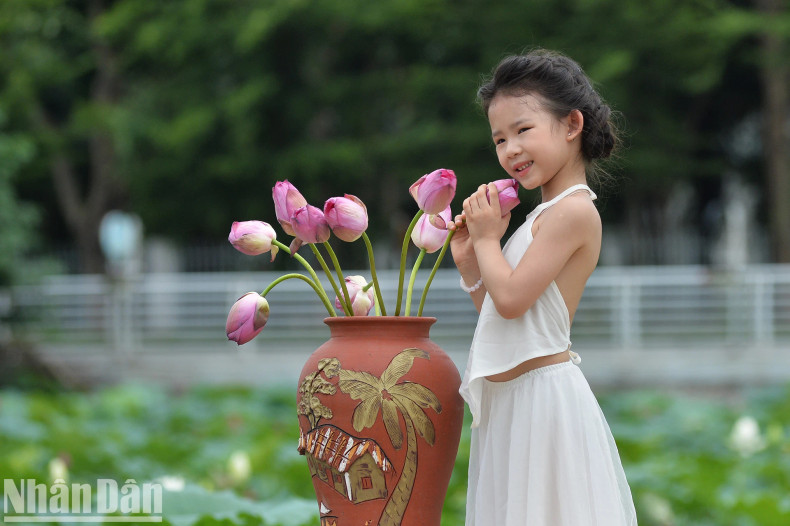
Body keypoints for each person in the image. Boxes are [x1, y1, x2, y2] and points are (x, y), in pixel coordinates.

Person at [449, 49, 638, 525]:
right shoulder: (538, 216)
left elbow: (511, 302)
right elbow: (499, 316)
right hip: (512, 402)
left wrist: (491, 237)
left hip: (544, 403)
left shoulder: (575, 211)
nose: (510, 149)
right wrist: (472, 258)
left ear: (572, 125)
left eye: (523, 130)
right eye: (499, 139)